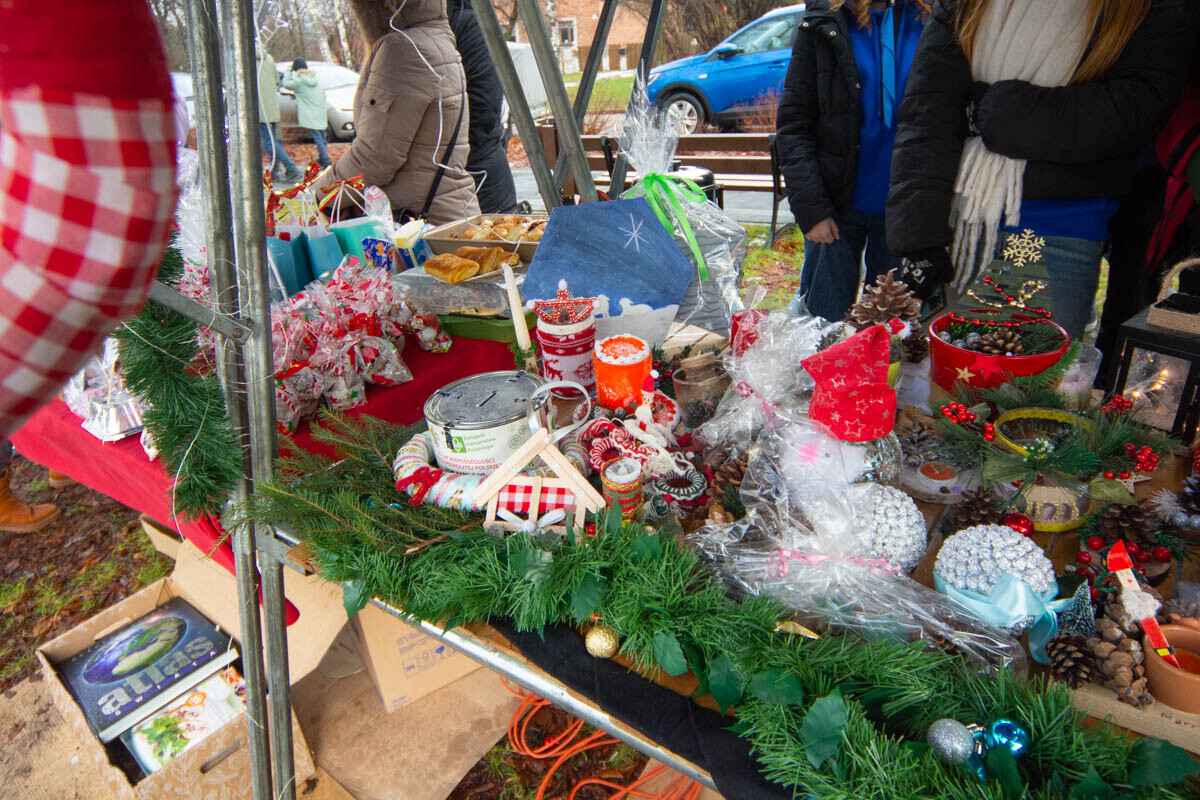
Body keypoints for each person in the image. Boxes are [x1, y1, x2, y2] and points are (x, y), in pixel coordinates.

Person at [887, 0, 1190, 340]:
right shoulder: (966, 4)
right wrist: (919, 239)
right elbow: (926, 113)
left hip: (1063, 233)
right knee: (941, 370)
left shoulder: (1143, 8)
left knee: (1037, 373)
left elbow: (1131, 110)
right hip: (957, 228)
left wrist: (993, 112)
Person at [776, 0, 929, 321]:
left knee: (894, 333)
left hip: (908, 211)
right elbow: (794, 124)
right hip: (833, 208)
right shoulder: (825, 22)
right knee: (822, 329)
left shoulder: (933, 20)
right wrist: (812, 209)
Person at [313, 0, 478, 225]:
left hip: (420, 223)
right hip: (446, 210)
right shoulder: (433, 37)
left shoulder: (403, 48)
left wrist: (321, 194)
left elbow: (375, 156)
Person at [448, 0, 517, 214]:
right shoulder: (460, 18)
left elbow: (483, 109)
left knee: (495, 234)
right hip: (469, 168)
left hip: (479, 171)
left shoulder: (467, 21)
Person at [258, 49, 302, 183]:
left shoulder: (248, 61)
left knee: (269, 141)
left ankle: (291, 167)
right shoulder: (269, 58)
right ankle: (274, 171)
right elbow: (277, 80)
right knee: (272, 140)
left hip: (260, 107)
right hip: (271, 105)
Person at [282, 58, 333, 168]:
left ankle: (326, 159)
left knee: (317, 137)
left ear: (296, 70)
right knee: (322, 137)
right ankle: (323, 157)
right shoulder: (315, 80)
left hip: (310, 114)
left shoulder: (300, 82)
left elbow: (285, 84)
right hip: (320, 112)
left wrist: (288, 71)